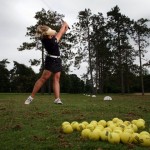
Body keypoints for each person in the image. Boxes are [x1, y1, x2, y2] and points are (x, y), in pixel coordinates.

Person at [24, 21, 69, 105]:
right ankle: (31, 97)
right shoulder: (50, 41)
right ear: (47, 35)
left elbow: (60, 33)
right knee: (43, 78)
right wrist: (64, 25)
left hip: (57, 60)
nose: (51, 32)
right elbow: (59, 33)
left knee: (57, 78)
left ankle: (57, 99)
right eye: (50, 31)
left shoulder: (49, 37)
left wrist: (64, 28)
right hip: (51, 60)